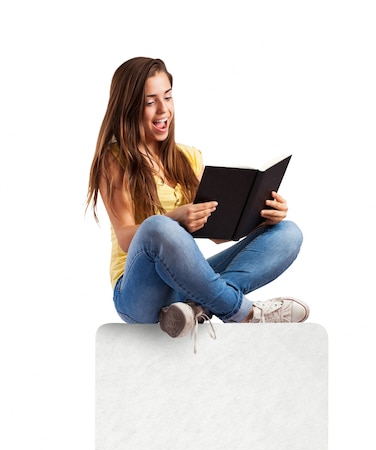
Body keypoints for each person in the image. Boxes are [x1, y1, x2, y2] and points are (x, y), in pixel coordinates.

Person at [87, 57, 309, 349]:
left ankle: (195, 308)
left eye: (167, 97)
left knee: (288, 233)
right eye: (150, 101)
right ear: (128, 107)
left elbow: (216, 233)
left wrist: (261, 217)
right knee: (157, 227)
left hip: (184, 287)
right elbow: (128, 237)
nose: (163, 109)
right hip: (137, 293)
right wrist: (175, 219)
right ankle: (246, 314)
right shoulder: (114, 160)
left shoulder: (188, 157)